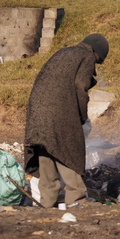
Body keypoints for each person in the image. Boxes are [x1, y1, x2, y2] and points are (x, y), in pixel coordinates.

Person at [24, 33, 109, 208]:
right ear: (95, 53)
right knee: (69, 149)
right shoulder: (85, 55)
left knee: (47, 150)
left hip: (37, 111)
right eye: (97, 60)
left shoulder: (65, 52)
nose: (95, 63)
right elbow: (80, 85)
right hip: (59, 111)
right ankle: (77, 200)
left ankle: (47, 202)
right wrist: (81, 115)